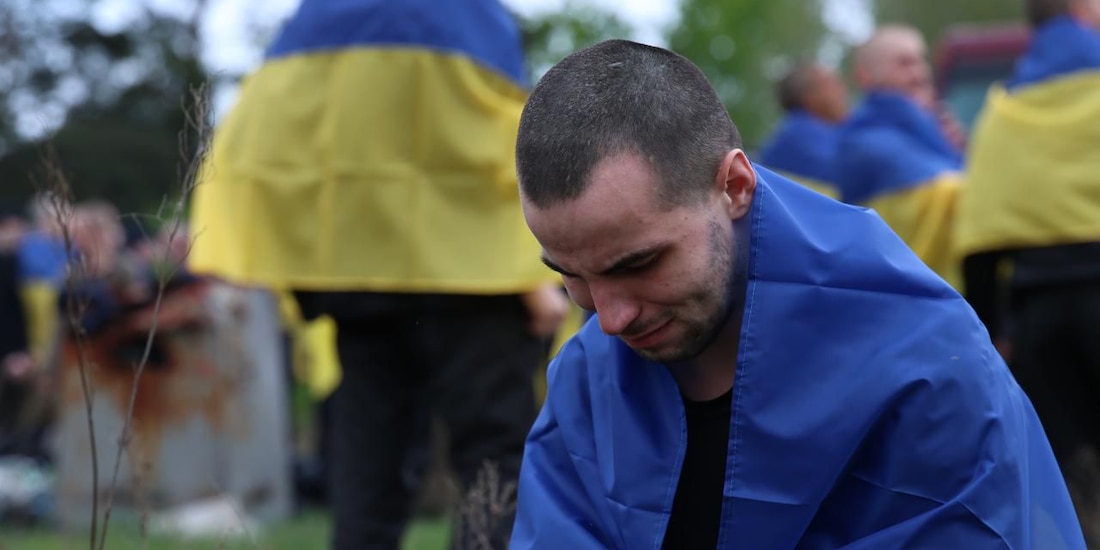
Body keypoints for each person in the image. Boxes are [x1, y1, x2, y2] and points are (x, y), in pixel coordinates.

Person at [509, 39, 1084, 549]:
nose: (609, 319)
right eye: (572, 275)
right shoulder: (587, 378)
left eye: (639, 263)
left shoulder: (926, 363)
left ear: (734, 186)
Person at [186, 1, 568, 548]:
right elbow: (506, 145)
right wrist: (534, 274)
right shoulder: (470, 17)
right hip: (476, 282)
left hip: (361, 280)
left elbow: (264, 133)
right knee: (492, 458)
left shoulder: (323, 16)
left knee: (369, 469)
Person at [955, 0, 1100, 542]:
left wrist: (993, 329)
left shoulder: (1005, 110)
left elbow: (980, 237)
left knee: (1068, 471)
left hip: (1038, 316)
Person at [835, 25, 964, 288]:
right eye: (903, 64)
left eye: (921, 60)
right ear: (865, 77)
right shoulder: (864, 146)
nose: (919, 74)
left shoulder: (931, 130)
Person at [757, 62, 848, 198]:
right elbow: (849, 181)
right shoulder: (804, 137)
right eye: (831, 84)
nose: (842, 90)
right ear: (810, 97)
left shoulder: (791, 133)